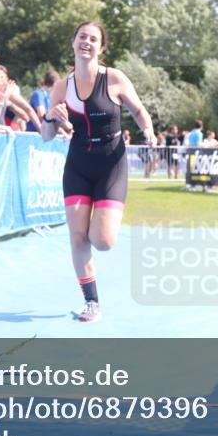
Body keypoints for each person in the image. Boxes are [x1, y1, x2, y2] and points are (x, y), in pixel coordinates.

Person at [40, 21, 156, 322]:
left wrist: (148, 130)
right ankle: (92, 302)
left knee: (102, 241)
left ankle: (100, 226)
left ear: (100, 48)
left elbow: (138, 110)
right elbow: (46, 136)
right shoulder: (62, 87)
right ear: (73, 42)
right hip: (78, 163)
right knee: (77, 237)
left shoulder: (114, 78)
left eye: (93, 39)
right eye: (82, 36)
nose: (87, 42)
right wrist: (51, 117)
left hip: (111, 164)